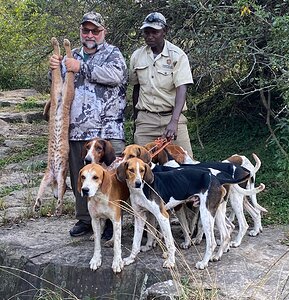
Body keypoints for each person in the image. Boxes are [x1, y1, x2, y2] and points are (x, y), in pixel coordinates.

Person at [49, 11, 127, 237]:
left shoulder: (113, 54)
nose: (90, 34)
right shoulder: (70, 55)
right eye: (86, 30)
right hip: (76, 130)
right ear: (80, 32)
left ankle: (112, 222)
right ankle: (85, 219)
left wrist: (80, 67)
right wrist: (54, 67)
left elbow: (116, 76)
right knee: (79, 176)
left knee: (112, 177)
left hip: (106, 130)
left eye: (95, 30)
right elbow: (57, 85)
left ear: (104, 32)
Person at [129, 12, 194, 157]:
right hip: (146, 120)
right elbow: (136, 89)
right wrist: (136, 120)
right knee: (141, 167)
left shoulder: (177, 56)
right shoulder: (137, 56)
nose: (150, 36)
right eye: (146, 32)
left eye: (155, 32)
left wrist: (174, 122)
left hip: (172, 117)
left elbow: (181, 89)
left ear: (164, 31)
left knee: (186, 164)